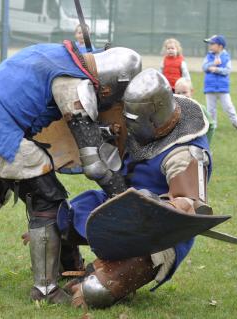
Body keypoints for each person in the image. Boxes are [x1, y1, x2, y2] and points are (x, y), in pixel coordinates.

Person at [0, 40, 141, 304]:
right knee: (48, 198)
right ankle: (46, 290)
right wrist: (123, 195)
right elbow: (95, 165)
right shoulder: (72, 84)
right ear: (109, 86)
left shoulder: (58, 52)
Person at [59, 69, 213, 308]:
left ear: (154, 117)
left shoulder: (185, 152)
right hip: (118, 202)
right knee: (58, 218)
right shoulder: (136, 122)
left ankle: (97, 276)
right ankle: (71, 266)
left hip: (159, 233)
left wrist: (159, 204)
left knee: (95, 291)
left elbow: (189, 206)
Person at [202, 35, 237, 133]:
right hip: (210, 87)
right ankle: (212, 126)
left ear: (220, 46)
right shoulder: (209, 56)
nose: (210, 46)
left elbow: (227, 70)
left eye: (212, 44)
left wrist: (216, 69)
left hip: (223, 88)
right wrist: (213, 63)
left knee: (228, 107)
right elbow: (204, 67)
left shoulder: (226, 56)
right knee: (211, 109)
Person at [175, 77, 216, 143]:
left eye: (184, 92)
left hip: (196, 145)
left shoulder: (200, 108)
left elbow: (211, 125)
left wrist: (206, 143)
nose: (181, 95)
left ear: (191, 92)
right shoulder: (175, 110)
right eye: (178, 93)